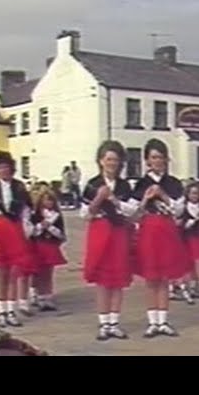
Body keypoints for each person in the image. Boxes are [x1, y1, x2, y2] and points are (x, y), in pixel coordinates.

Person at [130, 139, 188, 338]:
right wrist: (146, 198)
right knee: (150, 277)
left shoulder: (173, 183)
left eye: (161, 157)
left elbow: (179, 209)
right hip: (148, 231)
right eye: (154, 157)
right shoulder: (140, 183)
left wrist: (163, 195)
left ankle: (163, 320)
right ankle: (152, 321)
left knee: (164, 277)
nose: (158, 161)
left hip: (167, 231)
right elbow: (133, 213)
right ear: (147, 160)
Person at [81, 141, 137, 341]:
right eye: (108, 159)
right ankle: (104, 324)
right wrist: (98, 198)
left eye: (115, 159)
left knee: (118, 279)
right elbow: (85, 215)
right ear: (101, 161)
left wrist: (113, 199)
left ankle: (114, 323)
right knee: (103, 280)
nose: (112, 163)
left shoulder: (125, 185)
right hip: (99, 231)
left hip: (119, 232)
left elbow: (132, 211)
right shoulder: (92, 184)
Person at [0, 150, 34, 328]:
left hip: (16, 229)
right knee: (1, 274)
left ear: (11, 168)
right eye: (0, 167)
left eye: (6, 166)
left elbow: (27, 210)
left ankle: (11, 310)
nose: (3, 170)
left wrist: (27, 229)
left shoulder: (20, 187)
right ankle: (1, 311)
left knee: (14, 273)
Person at [30, 189, 67, 311]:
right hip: (38, 245)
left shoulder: (56, 215)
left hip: (50, 245)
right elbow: (32, 232)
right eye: (46, 199)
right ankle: (36, 294)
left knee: (48, 272)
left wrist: (51, 228)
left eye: (51, 200)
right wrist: (41, 225)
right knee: (37, 272)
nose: (49, 202)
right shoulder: (35, 214)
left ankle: (47, 296)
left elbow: (61, 234)